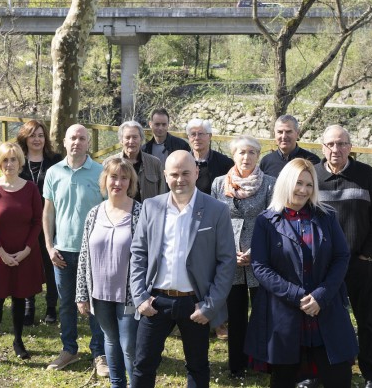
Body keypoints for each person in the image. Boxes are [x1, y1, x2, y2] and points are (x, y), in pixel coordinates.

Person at [245, 158, 358, 387]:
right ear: (286, 183)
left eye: (309, 185)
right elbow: (260, 266)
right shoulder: (265, 222)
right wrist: (296, 295)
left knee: (338, 378)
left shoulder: (327, 217)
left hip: (325, 310)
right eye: (298, 183)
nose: (304, 190)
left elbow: (341, 257)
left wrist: (320, 296)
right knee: (284, 378)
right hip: (284, 315)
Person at [130, 150, 236, 388]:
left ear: (196, 172)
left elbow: (227, 262)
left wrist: (210, 305)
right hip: (155, 301)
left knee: (197, 367)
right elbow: (138, 254)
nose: (180, 179)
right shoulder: (151, 207)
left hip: (195, 304)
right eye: (174, 174)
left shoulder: (216, 210)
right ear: (165, 176)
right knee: (143, 364)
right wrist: (140, 297)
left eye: (186, 173)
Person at [315, 125, 372, 388]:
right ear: (322, 147)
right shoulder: (313, 176)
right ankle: (333, 370)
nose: (336, 149)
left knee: (366, 321)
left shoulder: (365, 174)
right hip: (324, 266)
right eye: (331, 144)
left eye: (342, 144)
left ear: (350, 147)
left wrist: (368, 253)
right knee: (326, 321)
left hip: (359, 263)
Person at [43, 124, 108, 376]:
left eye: (82, 138)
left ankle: (99, 353)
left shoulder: (101, 172)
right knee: (66, 303)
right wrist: (49, 246)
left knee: (95, 304)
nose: (77, 142)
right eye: (73, 138)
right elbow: (48, 212)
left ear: (88, 142)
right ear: (64, 141)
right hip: (62, 251)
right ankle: (69, 349)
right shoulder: (53, 172)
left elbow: (107, 212)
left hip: (92, 252)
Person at [210, 135, 276, 378]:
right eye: (241, 152)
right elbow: (215, 221)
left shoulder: (270, 183)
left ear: (258, 156)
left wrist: (256, 250)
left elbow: (273, 220)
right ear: (233, 155)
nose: (246, 157)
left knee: (263, 311)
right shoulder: (219, 184)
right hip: (230, 255)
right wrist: (227, 252)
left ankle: (263, 361)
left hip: (260, 255)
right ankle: (236, 365)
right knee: (236, 313)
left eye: (251, 152)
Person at [77, 158, 143, 388]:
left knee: (129, 344)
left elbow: (148, 257)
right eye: (114, 177)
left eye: (124, 178)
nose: (118, 182)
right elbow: (84, 256)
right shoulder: (94, 214)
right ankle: (117, 384)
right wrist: (81, 295)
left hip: (130, 295)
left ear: (130, 182)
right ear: (105, 180)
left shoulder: (139, 212)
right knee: (111, 340)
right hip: (100, 293)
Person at [0, 142, 44, 369]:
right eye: (5, 160)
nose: (10, 164)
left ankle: (18, 341)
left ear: (20, 162)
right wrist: (2, 252)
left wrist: (27, 249)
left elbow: (38, 221)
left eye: (14, 159)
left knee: (19, 297)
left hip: (24, 253)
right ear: (0, 162)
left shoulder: (31, 189)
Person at [16, 119, 63, 326]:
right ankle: (29, 306)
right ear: (25, 137)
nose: (37, 139)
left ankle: (52, 306)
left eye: (41, 135)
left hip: (51, 220)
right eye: (33, 135)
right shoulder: (17, 161)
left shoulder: (55, 160)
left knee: (50, 262)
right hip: (24, 223)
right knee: (28, 264)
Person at [118, 120, 166, 202]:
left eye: (135, 137)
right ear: (121, 140)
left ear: (141, 139)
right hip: (119, 212)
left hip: (149, 213)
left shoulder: (155, 163)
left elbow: (162, 194)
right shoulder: (110, 164)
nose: (131, 141)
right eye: (127, 137)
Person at [186, 118, 233, 195]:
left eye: (201, 134)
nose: (197, 138)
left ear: (210, 136)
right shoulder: (183, 162)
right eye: (193, 134)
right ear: (188, 137)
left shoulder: (225, 163)